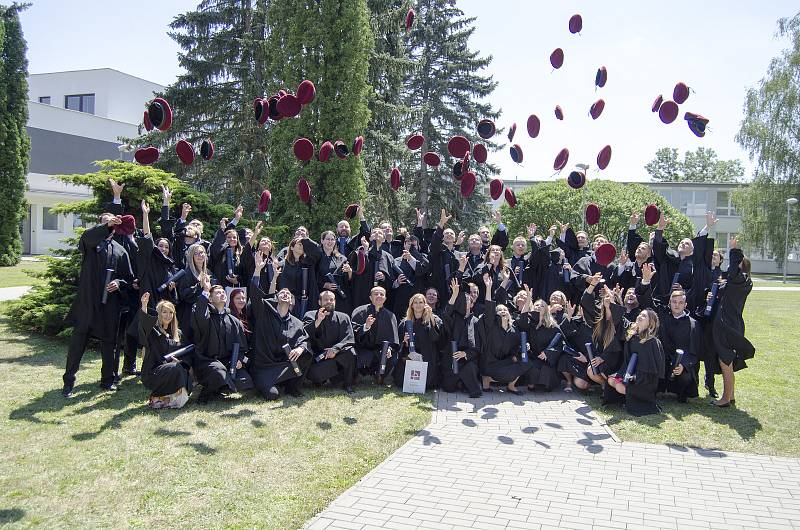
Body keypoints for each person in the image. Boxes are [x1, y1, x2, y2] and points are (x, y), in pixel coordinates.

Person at [62, 213, 134, 397]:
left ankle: (107, 380)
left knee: (110, 343)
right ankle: (68, 382)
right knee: (78, 343)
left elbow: (128, 278)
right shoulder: (90, 244)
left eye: (111, 223)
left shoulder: (120, 250)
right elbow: (88, 236)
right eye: (104, 223)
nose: (109, 225)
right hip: (88, 303)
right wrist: (107, 225)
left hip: (109, 305)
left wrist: (118, 283)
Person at [249, 252, 312, 400]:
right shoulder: (264, 311)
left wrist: (300, 348)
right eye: (282, 293)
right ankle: (269, 383)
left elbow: (305, 340)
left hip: (284, 364)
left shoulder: (297, 322)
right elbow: (254, 294)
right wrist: (258, 270)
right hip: (264, 366)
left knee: (306, 354)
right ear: (276, 298)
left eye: (288, 294)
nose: (285, 294)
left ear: (292, 301)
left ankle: (292, 387)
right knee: (272, 395)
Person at [707, 238, 755, 407]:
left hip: (727, 325)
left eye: (736, 262)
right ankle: (731, 395)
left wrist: (734, 250)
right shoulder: (737, 282)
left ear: (741, 265)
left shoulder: (741, 279)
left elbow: (733, 273)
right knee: (725, 360)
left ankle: (726, 398)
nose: (731, 265)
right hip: (727, 323)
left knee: (725, 361)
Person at [192, 273, 252, 404]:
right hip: (208, 361)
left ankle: (219, 387)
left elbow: (241, 347)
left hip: (228, 361)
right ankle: (206, 393)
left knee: (246, 381)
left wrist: (239, 360)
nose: (222, 294)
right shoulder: (206, 316)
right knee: (219, 372)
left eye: (223, 292)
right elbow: (200, 315)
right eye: (217, 293)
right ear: (210, 299)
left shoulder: (235, 321)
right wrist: (206, 290)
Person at [479, 274, 534, 394]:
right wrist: (488, 288)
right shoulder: (491, 325)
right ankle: (487, 379)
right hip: (490, 362)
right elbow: (488, 307)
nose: (503, 311)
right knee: (502, 373)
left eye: (505, 310)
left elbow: (524, 316)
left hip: (506, 361)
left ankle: (511, 385)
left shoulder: (514, 326)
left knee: (526, 363)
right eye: (499, 310)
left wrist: (528, 297)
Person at [137, 292, 192, 409]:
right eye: (164, 312)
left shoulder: (178, 334)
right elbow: (144, 324)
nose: (168, 315)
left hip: (173, 369)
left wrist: (180, 361)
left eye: (171, 312)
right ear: (158, 314)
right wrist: (144, 306)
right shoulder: (153, 331)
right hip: (153, 373)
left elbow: (186, 352)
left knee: (182, 369)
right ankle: (158, 397)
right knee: (175, 368)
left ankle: (170, 398)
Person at [606, 309, 665, 416]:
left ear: (650, 323)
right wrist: (623, 374)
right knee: (611, 380)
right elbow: (627, 361)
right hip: (630, 374)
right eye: (639, 314)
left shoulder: (652, 342)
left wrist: (634, 377)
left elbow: (651, 369)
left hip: (644, 380)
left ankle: (635, 400)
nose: (639, 316)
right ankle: (624, 400)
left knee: (620, 386)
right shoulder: (632, 337)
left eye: (644, 316)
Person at [303, 290, 356, 394]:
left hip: (338, 354)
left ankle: (348, 384)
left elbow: (349, 338)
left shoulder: (343, 317)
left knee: (351, 352)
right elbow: (305, 335)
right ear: (319, 302)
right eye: (326, 299)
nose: (329, 302)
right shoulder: (310, 315)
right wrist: (317, 321)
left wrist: (335, 349)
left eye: (331, 299)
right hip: (319, 357)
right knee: (315, 375)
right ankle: (323, 379)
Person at [580, 274, 625, 388]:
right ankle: (605, 386)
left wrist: (603, 358)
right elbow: (585, 301)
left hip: (616, 359)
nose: (607, 298)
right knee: (591, 370)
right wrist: (592, 284)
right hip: (600, 356)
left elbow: (617, 346)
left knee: (603, 370)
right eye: (606, 297)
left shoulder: (620, 319)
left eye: (610, 297)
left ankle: (611, 386)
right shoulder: (599, 317)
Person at [440, 278, 483, 398]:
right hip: (452, 357)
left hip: (469, 358)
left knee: (469, 368)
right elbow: (446, 313)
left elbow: (478, 346)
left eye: (469, 300)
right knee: (449, 388)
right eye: (464, 299)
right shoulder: (455, 318)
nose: (467, 301)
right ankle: (460, 382)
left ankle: (467, 384)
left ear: (473, 304)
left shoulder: (476, 321)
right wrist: (454, 294)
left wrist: (465, 354)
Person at [658, 290, 700, 403]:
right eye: (674, 302)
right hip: (665, 361)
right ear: (669, 303)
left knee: (685, 377)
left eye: (680, 302)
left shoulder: (693, 324)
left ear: (685, 305)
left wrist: (684, 365)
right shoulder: (662, 318)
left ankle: (680, 394)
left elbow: (694, 351)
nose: (677, 305)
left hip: (682, 363)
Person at [394, 294, 443, 391]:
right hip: (410, 356)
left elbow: (437, 338)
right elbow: (398, 343)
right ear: (411, 305)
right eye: (415, 302)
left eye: (421, 302)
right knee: (401, 382)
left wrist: (431, 318)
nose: (418, 305)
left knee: (428, 384)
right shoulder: (405, 322)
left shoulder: (434, 319)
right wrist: (404, 342)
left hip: (428, 356)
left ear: (425, 304)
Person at [351, 286, 399, 384]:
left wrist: (389, 348)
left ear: (385, 298)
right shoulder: (359, 311)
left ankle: (380, 376)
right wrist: (366, 326)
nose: (379, 296)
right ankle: (357, 374)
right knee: (353, 353)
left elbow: (393, 338)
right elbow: (352, 333)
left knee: (391, 355)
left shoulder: (390, 315)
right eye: (376, 294)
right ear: (370, 297)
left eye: (382, 294)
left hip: (380, 349)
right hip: (363, 347)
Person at [520, 296, 564, 392]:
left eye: (542, 306)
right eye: (536, 305)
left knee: (546, 369)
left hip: (547, 358)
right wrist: (526, 344)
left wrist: (548, 353)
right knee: (532, 365)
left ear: (546, 310)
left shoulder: (552, 326)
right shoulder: (529, 323)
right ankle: (531, 383)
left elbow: (560, 344)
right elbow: (521, 330)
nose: (539, 307)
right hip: (532, 356)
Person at [346, 230, 395, 309]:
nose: (376, 233)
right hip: (362, 292)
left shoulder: (388, 257)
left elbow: (392, 278)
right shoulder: (360, 251)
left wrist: (384, 277)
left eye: (379, 233)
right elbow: (355, 272)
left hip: (380, 296)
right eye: (374, 232)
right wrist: (365, 250)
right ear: (370, 238)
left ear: (383, 239)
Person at [278, 236, 322, 317]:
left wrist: (305, 239)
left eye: (303, 245)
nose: (302, 246)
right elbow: (281, 283)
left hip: (306, 302)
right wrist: (290, 296)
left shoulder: (309, 263)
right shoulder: (283, 264)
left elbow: (318, 251)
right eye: (299, 244)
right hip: (287, 301)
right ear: (291, 247)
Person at [176, 243, 211, 341]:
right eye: (196, 253)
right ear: (191, 256)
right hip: (189, 314)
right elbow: (183, 294)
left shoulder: (208, 272)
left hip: (205, 311)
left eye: (202, 253)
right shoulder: (186, 273)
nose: (200, 255)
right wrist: (199, 285)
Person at [209, 205, 246, 289]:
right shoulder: (220, 253)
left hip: (235, 289)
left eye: (234, 237)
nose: (232, 239)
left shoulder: (241, 254)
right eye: (228, 237)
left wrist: (238, 280)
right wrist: (223, 229)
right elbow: (216, 245)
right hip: (220, 287)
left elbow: (245, 272)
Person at [317, 230, 352, 315]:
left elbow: (348, 279)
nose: (330, 242)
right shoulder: (317, 258)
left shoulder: (342, 258)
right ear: (322, 241)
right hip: (323, 295)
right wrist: (324, 285)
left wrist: (350, 271)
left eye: (332, 239)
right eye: (327, 239)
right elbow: (313, 277)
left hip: (340, 296)